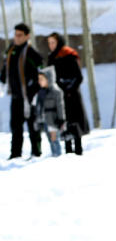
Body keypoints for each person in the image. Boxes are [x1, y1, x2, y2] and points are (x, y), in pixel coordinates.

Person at [1, 23, 43, 159]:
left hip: (30, 96)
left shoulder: (32, 53)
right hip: (15, 95)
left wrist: (34, 90)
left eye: (20, 35)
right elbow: (6, 67)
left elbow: (40, 72)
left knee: (33, 126)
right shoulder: (11, 50)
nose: (17, 38)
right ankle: (15, 154)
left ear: (27, 36)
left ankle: (36, 152)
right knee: (15, 126)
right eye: (15, 34)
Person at [46, 32, 89, 156]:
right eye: (49, 43)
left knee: (74, 122)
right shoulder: (52, 58)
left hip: (72, 95)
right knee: (63, 123)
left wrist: (69, 89)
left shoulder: (69, 55)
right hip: (59, 96)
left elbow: (78, 77)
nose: (51, 45)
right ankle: (67, 151)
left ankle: (78, 150)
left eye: (53, 42)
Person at [32, 67, 65, 157]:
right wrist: (38, 119)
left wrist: (61, 119)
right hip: (45, 120)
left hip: (53, 121)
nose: (39, 81)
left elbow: (60, 106)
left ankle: (58, 156)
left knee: (55, 139)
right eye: (39, 79)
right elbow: (39, 107)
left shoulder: (56, 92)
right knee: (50, 139)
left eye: (41, 79)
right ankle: (54, 155)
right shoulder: (40, 92)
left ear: (49, 79)